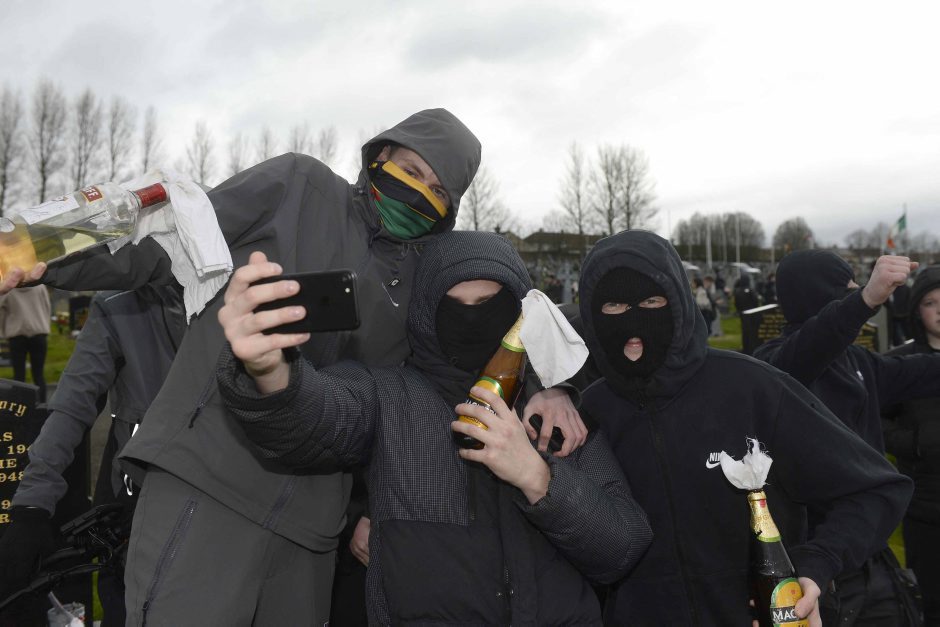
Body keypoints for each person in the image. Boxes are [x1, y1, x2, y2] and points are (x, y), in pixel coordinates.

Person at [0, 109, 586, 624]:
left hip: (312, 526)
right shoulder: (297, 186)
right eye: (411, 169)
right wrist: (37, 251)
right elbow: (168, 240)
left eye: (438, 190)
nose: (418, 193)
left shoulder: (422, 273)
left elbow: (485, 331)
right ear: (380, 155)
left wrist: (552, 386)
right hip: (208, 481)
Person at [217, 230, 652, 624]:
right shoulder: (389, 398)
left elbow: (622, 548)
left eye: (489, 304)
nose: (472, 320)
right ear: (426, 311)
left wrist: (537, 477)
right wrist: (269, 369)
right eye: (454, 305)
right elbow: (314, 418)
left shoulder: (556, 414)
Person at [574, 230, 912, 626]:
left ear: (678, 302)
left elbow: (875, 489)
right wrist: (553, 393)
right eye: (613, 305)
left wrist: (817, 563)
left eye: (651, 301)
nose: (634, 321)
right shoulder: (587, 413)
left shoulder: (750, 388)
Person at [754, 250, 940, 626]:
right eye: (848, 289)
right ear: (817, 296)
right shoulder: (773, 365)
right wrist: (866, 299)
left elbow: (920, 372)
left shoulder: (856, 361)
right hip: (813, 565)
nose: (856, 294)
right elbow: (811, 348)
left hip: (867, 549)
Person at [0, 284, 185, 626]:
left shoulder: (251, 283)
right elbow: (73, 404)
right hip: (137, 498)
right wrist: (31, 506)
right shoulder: (119, 299)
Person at [884, 264, 940, 625]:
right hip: (926, 506)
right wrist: (914, 442)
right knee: (931, 601)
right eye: (931, 303)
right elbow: (871, 417)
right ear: (917, 310)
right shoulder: (899, 364)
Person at [0, 285, 51, 402]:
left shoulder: (9, 288)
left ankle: (20, 406)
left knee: (18, 375)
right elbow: (46, 306)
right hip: (38, 333)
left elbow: (1, 311)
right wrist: (45, 325)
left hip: (16, 335)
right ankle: (42, 405)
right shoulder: (40, 287)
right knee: (38, 374)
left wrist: (3, 332)